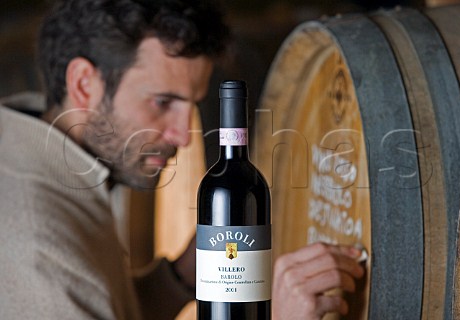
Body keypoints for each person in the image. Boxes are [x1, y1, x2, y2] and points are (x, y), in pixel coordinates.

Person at [0, 0, 365, 319]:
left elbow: (96, 305)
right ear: (83, 84)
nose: (181, 135)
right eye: (162, 102)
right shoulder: (37, 252)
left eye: (191, 106)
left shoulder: (47, 159)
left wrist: (185, 276)